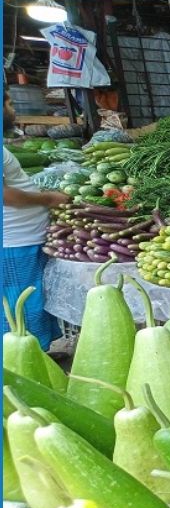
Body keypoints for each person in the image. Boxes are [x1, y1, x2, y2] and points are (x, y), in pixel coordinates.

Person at [2, 88, 70, 351]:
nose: (13, 108)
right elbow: (4, 195)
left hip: (23, 239)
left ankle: (35, 358)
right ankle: (22, 364)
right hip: (13, 243)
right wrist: (48, 199)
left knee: (32, 303)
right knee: (18, 308)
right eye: (7, 102)